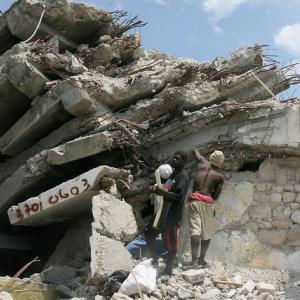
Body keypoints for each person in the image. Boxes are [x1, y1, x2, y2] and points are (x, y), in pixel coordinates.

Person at [152, 151, 189, 275]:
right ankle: (168, 262)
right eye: (173, 158)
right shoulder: (173, 175)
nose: (174, 160)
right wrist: (157, 189)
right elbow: (167, 189)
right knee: (166, 238)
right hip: (166, 213)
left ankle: (169, 269)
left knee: (172, 240)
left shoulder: (183, 176)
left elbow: (179, 196)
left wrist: (162, 193)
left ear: (184, 161)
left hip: (174, 214)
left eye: (177, 159)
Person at [188, 149, 224, 268]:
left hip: (194, 200)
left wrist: (194, 150)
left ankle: (193, 261)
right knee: (206, 232)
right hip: (208, 202)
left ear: (211, 157)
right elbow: (216, 196)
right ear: (221, 162)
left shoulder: (202, 163)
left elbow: (197, 154)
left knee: (195, 230)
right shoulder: (219, 176)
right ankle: (201, 260)